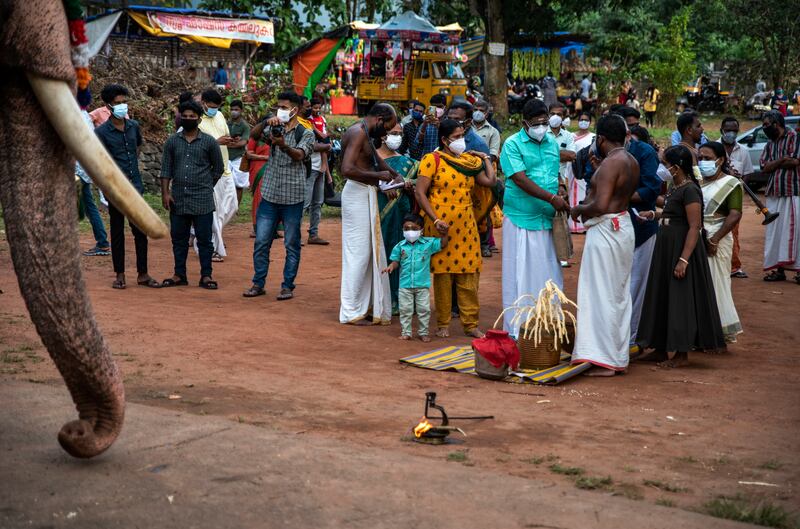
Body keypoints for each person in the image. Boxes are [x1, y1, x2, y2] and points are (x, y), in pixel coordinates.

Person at [636, 145, 727, 367]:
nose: (662, 167)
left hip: (681, 249)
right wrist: (654, 214)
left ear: (676, 168)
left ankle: (681, 354)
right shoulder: (675, 188)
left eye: (664, 163)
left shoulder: (690, 191)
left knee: (680, 300)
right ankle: (659, 348)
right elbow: (672, 214)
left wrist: (684, 259)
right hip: (666, 247)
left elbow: (694, 226)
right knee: (662, 295)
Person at [569, 115, 638, 376]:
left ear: (600, 139)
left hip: (607, 228)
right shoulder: (628, 160)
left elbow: (599, 204)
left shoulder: (612, 163)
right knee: (616, 293)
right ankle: (614, 355)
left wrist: (577, 208)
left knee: (600, 294)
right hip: (621, 225)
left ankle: (604, 357)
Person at [415, 119, 497, 338]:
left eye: (463, 135)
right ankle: (443, 323)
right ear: (444, 140)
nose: (461, 140)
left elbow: (489, 181)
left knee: (469, 274)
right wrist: (434, 219)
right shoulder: (431, 160)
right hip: (442, 227)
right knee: (443, 276)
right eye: (457, 137)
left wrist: (485, 159)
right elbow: (420, 192)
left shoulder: (468, 162)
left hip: (467, 226)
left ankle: (471, 324)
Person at [499, 100, 566, 337]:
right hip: (521, 218)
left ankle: (548, 326)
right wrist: (551, 197)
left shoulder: (551, 143)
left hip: (547, 219)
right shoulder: (512, 144)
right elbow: (519, 178)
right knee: (520, 274)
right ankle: (519, 329)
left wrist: (560, 187)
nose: (541, 127)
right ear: (524, 123)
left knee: (549, 273)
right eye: (536, 124)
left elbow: (555, 171)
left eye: (545, 123)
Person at [243, 92, 315, 301]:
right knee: (261, 242)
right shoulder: (273, 126)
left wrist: (283, 144)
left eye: (284, 107)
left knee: (291, 244)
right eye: (278, 107)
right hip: (270, 193)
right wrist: (267, 120)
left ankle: (287, 286)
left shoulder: (306, 133)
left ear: (295, 109)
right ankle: (258, 283)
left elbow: (300, 155)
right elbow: (254, 136)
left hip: (293, 196)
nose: (280, 110)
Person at [338, 104, 402, 324]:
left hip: (365, 191)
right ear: (379, 119)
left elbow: (376, 160)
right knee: (358, 253)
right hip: (356, 192)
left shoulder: (365, 132)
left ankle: (362, 306)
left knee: (368, 251)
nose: (386, 133)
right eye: (387, 127)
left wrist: (395, 176)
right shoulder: (357, 133)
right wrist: (381, 177)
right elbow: (346, 169)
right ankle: (350, 309)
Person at [94, 84, 158, 290]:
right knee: (117, 230)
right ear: (108, 106)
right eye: (118, 103)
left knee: (140, 230)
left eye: (124, 102)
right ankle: (120, 274)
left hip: (135, 186)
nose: (123, 106)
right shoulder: (102, 132)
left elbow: (137, 147)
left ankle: (143, 273)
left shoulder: (133, 126)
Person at [609, 109, 662, 348]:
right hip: (611, 227)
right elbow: (588, 176)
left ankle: (632, 337)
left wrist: (617, 197)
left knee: (637, 284)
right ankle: (611, 334)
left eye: (632, 127)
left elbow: (651, 188)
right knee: (612, 283)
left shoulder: (646, 152)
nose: (629, 133)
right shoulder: (600, 151)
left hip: (640, 227)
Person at [159, 100, 225, 290]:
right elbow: (166, 169)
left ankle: (206, 275)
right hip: (178, 198)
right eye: (185, 116)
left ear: (199, 118)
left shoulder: (209, 142)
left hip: (202, 199)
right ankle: (179, 274)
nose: (188, 119)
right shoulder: (172, 141)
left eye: (192, 117)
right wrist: (165, 193)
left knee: (204, 239)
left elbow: (218, 168)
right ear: (180, 118)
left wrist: (206, 185)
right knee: (178, 239)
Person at [698, 142, 743, 343]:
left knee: (718, 283)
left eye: (707, 159)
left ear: (720, 160)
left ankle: (719, 333)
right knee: (701, 284)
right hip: (699, 235)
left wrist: (714, 239)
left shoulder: (732, 184)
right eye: (700, 158)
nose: (702, 162)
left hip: (718, 237)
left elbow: (734, 215)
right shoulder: (697, 181)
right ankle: (702, 330)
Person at [383, 213, 449, 342]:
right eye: (406, 229)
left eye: (413, 228)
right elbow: (396, 261)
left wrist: (445, 234)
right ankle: (406, 332)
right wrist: (391, 266)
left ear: (421, 230)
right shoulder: (400, 246)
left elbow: (442, 244)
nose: (410, 231)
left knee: (424, 309)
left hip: (422, 285)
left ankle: (423, 332)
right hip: (405, 285)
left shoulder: (428, 244)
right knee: (405, 310)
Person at [377, 123, 418, 314]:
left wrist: (409, 184)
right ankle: (382, 297)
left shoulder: (408, 163)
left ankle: (402, 299)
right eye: (393, 133)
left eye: (400, 134)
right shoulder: (372, 158)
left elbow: (420, 182)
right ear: (383, 136)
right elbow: (360, 180)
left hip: (402, 214)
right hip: (378, 212)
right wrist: (382, 186)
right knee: (381, 249)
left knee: (402, 252)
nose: (397, 137)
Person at [760, 111, 800, 283]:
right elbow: (764, 167)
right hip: (775, 192)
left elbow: (795, 161)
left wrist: (776, 163)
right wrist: (782, 159)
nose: (765, 128)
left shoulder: (794, 138)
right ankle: (779, 270)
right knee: (775, 233)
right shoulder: (769, 143)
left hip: (793, 191)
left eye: (767, 124)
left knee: (795, 231)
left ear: (777, 123)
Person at [199, 88, 237, 262]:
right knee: (214, 212)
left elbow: (225, 135)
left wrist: (229, 140)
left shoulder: (220, 116)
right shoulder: (196, 119)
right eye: (211, 106)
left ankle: (202, 236)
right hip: (208, 171)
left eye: (217, 106)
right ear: (203, 103)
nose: (214, 109)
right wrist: (216, 142)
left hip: (225, 168)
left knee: (232, 206)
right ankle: (213, 248)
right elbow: (196, 145)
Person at [719, 116, 753, 278]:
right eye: (728, 130)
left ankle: (734, 266)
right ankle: (718, 264)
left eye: (734, 131)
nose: (731, 133)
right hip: (717, 196)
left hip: (734, 197)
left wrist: (738, 187)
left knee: (733, 231)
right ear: (721, 131)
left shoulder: (744, 151)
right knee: (716, 229)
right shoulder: (713, 148)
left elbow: (747, 175)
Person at [77, 107, 110, 257]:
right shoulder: (84, 115)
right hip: (84, 168)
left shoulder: (72, 114)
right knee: (89, 205)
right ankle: (102, 242)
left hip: (75, 169)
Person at [305, 97, 333, 245]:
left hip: (320, 167)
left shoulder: (321, 119)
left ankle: (313, 234)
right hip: (311, 166)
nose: (316, 110)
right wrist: (326, 142)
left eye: (318, 108)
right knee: (306, 202)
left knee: (317, 202)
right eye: (313, 107)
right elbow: (322, 136)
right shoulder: (308, 121)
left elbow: (324, 138)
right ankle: (295, 234)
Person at [568, 111, 595, 233]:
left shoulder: (593, 137)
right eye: (581, 119)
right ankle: (573, 225)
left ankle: (583, 225)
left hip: (586, 171)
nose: (583, 122)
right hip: (572, 170)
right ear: (578, 121)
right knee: (572, 195)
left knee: (585, 196)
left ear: (590, 122)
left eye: (586, 119)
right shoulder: (570, 136)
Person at [245, 121, 271, 237]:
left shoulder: (275, 137)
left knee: (272, 198)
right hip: (257, 169)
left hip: (271, 169)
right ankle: (256, 228)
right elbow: (249, 154)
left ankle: (273, 228)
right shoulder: (255, 138)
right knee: (258, 198)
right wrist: (265, 157)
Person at [226, 99, 251, 205]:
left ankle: (236, 207)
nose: (233, 112)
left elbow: (243, 142)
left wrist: (228, 143)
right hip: (226, 157)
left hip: (238, 158)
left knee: (239, 185)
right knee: (226, 184)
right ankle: (227, 207)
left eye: (236, 109)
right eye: (232, 109)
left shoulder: (245, 126)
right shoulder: (227, 123)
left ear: (241, 110)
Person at [410, 94, 447, 161]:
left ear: (444, 107)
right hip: (427, 161)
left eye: (439, 106)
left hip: (443, 161)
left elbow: (450, 141)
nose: (437, 109)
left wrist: (439, 127)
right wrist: (424, 125)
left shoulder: (449, 123)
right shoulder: (426, 123)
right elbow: (417, 143)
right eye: (434, 107)